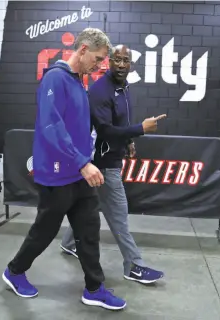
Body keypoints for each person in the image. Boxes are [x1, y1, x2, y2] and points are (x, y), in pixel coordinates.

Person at [2, 28, 127, 311]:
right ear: (82, 50)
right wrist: (82, 162)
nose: (100, 66)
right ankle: (14, 271)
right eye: (97, 59)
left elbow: (78, 125)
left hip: (79, 172)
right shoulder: (55, 79)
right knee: (44, 232)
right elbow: (51, 126)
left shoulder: (78, 82)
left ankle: (94, 288)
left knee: (89, 230)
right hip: (58, 174)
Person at [61, 44, 166, 284]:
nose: (120, 64)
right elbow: (106, 131)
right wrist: (140, 129)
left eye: (125, 60)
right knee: (118, 216)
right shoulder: (100, 91)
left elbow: (121, 120)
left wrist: (128, 140)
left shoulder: (123, 86)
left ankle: (68, 243)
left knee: (94, 204)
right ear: (108, 61)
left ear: (131, 63)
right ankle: (134, 266)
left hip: (108, 159)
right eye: (116, 59)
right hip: (104, 165)